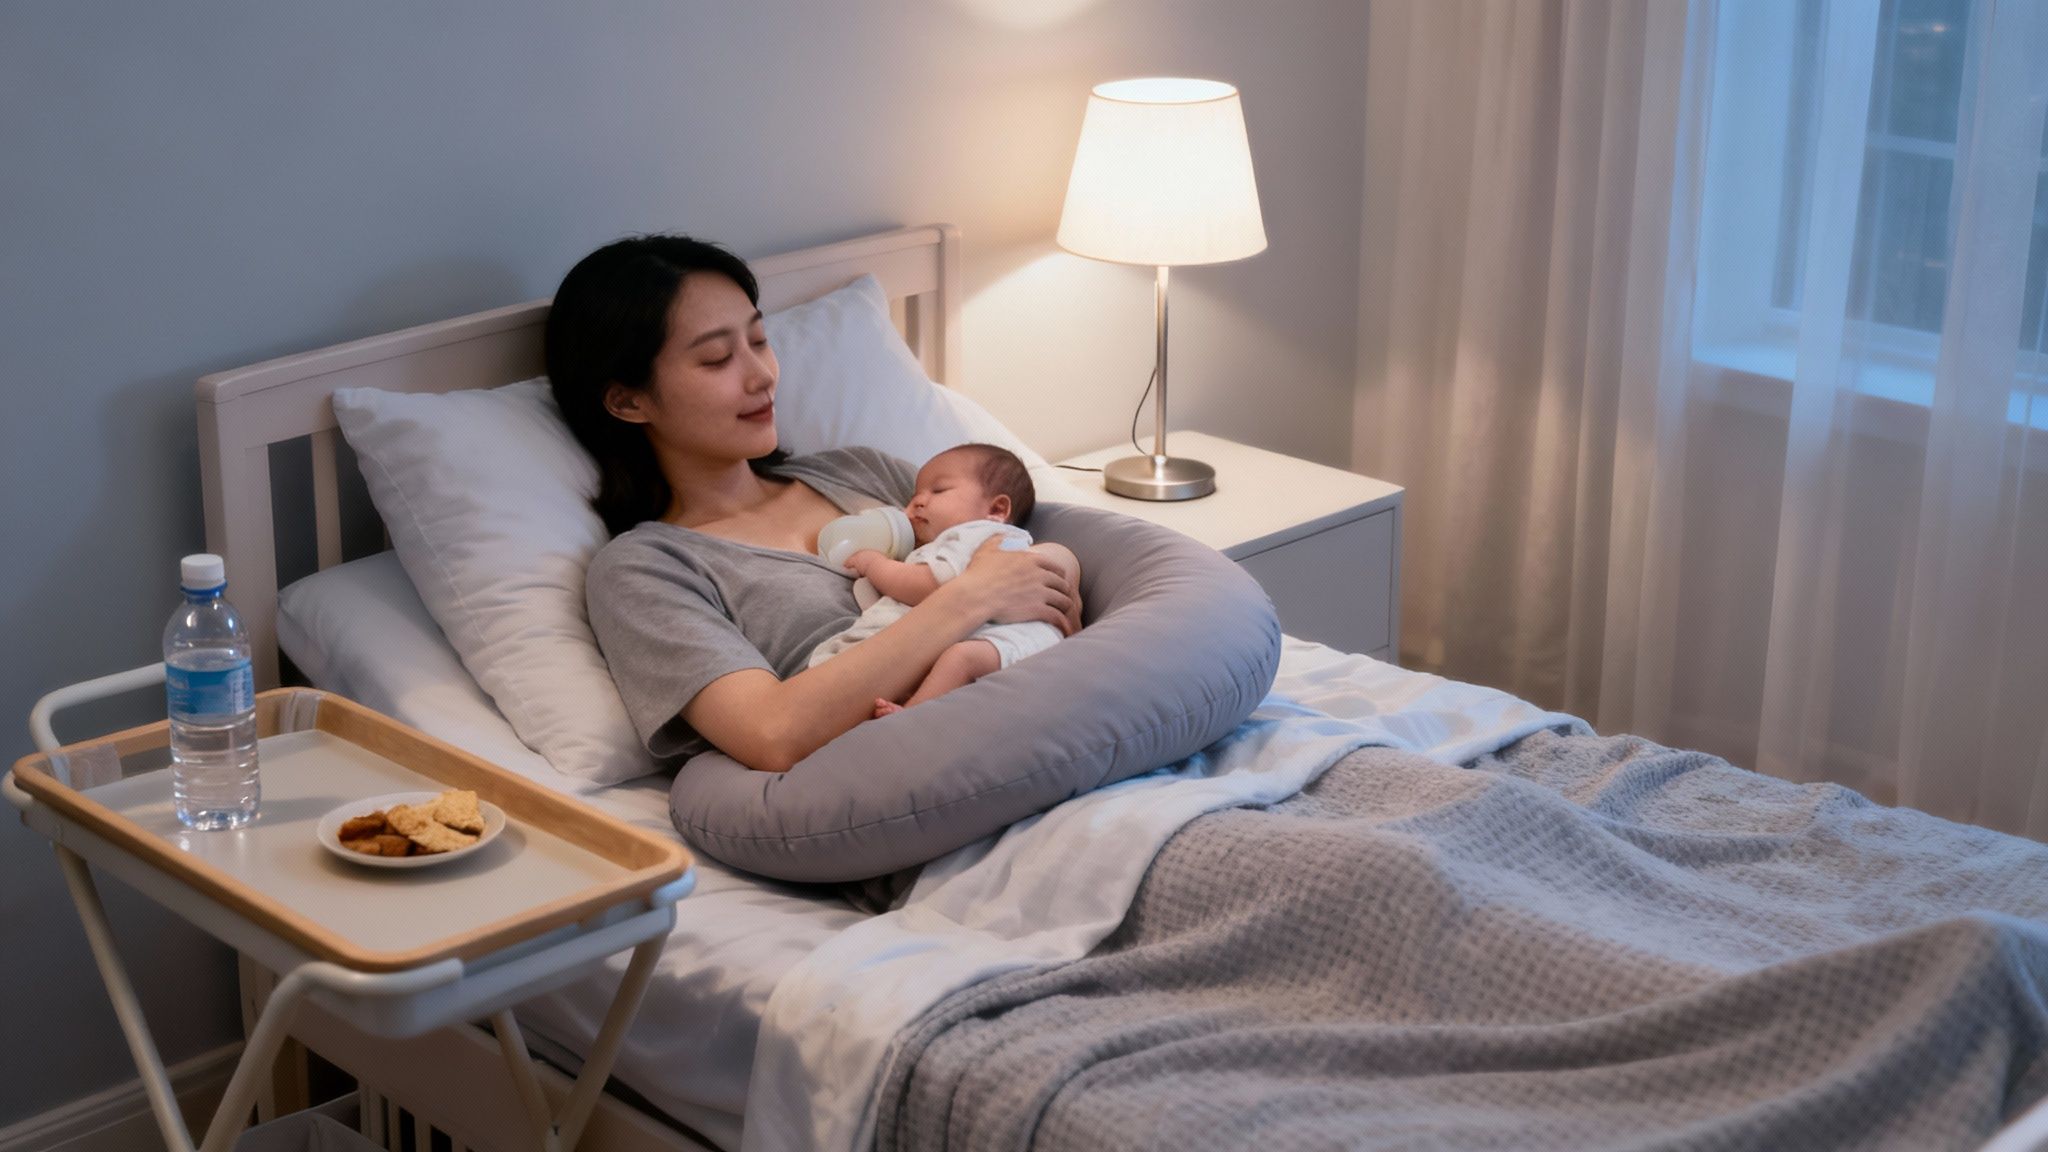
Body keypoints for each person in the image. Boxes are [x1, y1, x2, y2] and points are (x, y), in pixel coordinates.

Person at [546, 234, 1080, 774]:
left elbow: (1017, 539)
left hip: (1058, 729)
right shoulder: (647, 570)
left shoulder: (863, 472)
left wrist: (1059, 568)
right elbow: (772, 734)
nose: (762, 376)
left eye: (759, 341)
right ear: (628, 400)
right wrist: (971, 598)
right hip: (921, 781)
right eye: (716, 359)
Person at [807, 443, 1079, 717]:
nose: (917, 502)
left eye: (939, 491)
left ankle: (910, 716)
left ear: (996, 509)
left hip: (1014, 639)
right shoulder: (942, 545)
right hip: (991, 638)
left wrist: (874, 564)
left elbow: (931, 587)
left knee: (959, 659)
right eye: (914, 496)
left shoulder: (980, 534)